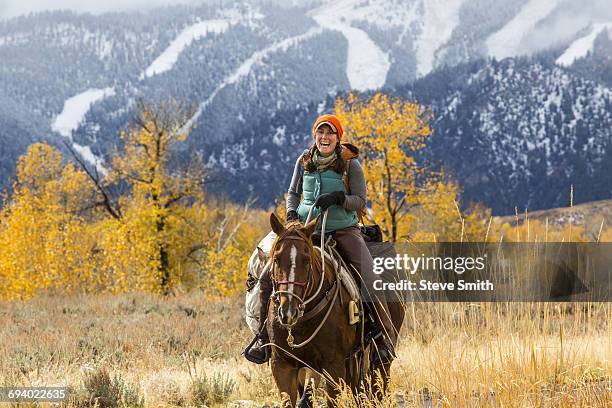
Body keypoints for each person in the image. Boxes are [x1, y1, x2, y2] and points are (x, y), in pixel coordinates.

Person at [244, 114, 397, 365]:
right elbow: (293, 192)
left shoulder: (350, 164)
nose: (325, 137)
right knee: (268, 275)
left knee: (368, 276)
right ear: (315, 135)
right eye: (321, 133)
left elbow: (360, 201)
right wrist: (292, 213)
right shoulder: (304, 160)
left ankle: (383, 339)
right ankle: (263, 337)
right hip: (305, 231)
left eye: (330, 133)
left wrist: (339, 198)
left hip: (343, 230)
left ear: (338, 138)